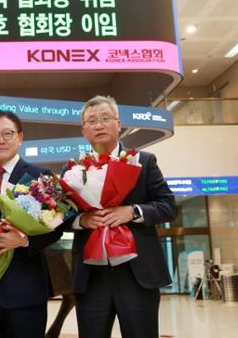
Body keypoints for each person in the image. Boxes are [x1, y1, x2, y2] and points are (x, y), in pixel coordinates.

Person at [69, 95, 177, 338]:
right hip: (91, 276)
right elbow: (62, 216)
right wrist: (82, 220)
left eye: (105, 118)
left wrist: (133, 211)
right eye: (92, 121)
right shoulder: (74, 170)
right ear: (84, 130)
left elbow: (168, 206)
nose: (99, 125)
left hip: (137, 274)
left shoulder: (144, 162)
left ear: (119, 124)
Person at [0, 110, 62, 338]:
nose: (0, 140)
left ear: (20, 137)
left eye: (7, 133)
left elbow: (58, 226)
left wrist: (25, 240)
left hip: (26, 293)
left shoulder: (42, 176)